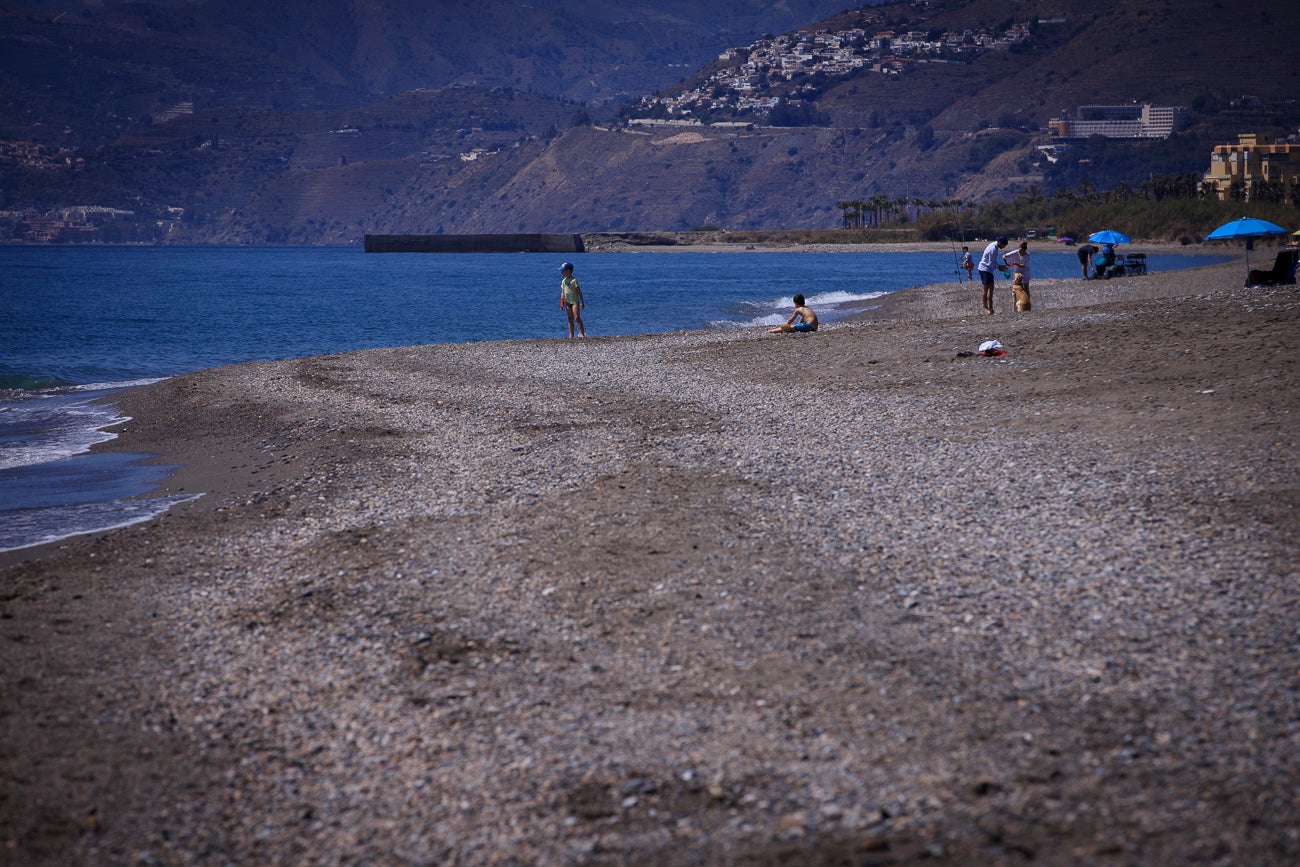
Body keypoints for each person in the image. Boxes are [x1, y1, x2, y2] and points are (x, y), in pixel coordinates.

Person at [976, 236, 1008, 315]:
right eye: (1003, 245)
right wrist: (1000, 267)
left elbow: (993, 262)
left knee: (991, 288)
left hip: (989, 270)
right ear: (1000, 243)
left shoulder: (995, 246)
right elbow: (991, 262)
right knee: (986, 289)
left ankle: (991, 308)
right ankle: (985, 308)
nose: (1003, 247)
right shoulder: (993, 248)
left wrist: (1000, 267)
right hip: (985, 269)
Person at [558, 262, 584, 338]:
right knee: (570, 318)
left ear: (568, 271)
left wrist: (582, 301)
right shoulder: (563, 281)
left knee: (577, 317)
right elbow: (562, 292)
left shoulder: (574, 280)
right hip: (567, 302)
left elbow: (579, 291)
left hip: (575, 302)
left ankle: (582, 333)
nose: (561, 272)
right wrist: (561, 302)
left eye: (563, 270)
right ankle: (571, 334)